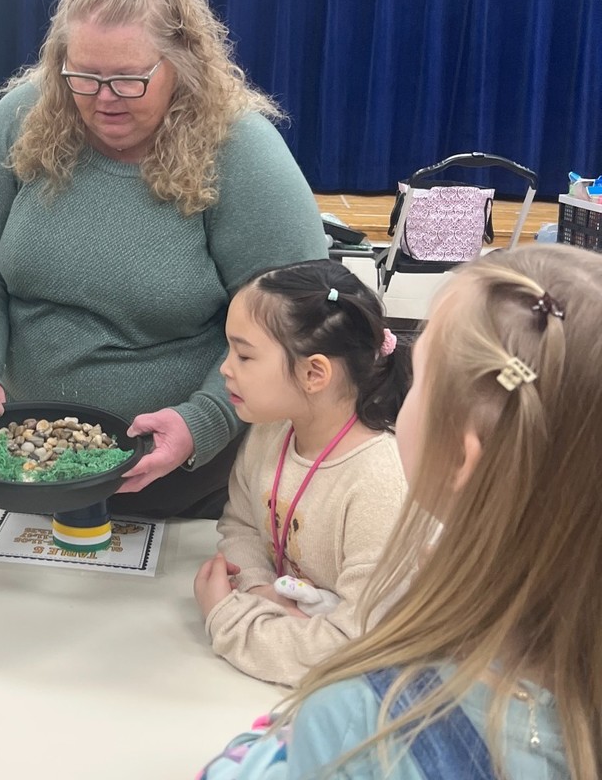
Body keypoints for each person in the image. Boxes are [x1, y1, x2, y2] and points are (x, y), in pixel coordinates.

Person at [0, 0, 328, 519]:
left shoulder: (240, 150)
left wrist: (204, 420)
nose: (102, 100)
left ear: (183, 64)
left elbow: (297, 317)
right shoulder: (22, 120)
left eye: (128, 79)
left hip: (185, 473)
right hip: (26, 462)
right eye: (83, 76)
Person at [196, 244, 598, 779]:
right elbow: (244, 524)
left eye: (418, 383)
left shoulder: (355, 719)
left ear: (462, 455)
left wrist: (231, 618)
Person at [194, 259, 411, 686]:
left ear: (314, 373)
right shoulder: (271, 432)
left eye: (244, 354)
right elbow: (240, 525)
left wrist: (227, 617)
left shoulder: (381, 482)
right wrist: (259, 593)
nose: (225, 368)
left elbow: (356, 650)